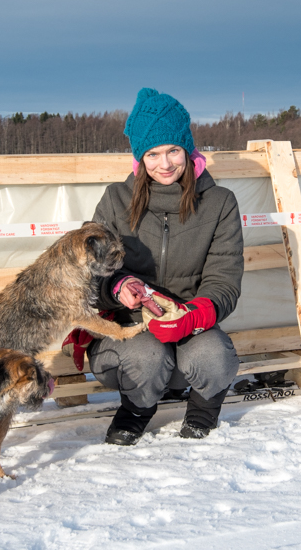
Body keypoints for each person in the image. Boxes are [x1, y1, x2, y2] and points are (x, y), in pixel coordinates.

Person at [87, 88, 243, 445]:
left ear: (188, 149)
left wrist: (193, 314)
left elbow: (225, 280)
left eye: (174, 150)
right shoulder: (116, 199)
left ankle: (203, 412)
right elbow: (90, 269)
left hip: (189, 322)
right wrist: (117, 289)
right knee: (147, 356)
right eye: (153, 153)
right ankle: (137, 411)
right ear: (140, 158)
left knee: (215, 355)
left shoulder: (220, 203)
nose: (166, 163)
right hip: (130, 329)